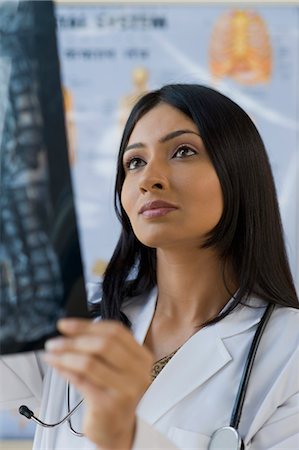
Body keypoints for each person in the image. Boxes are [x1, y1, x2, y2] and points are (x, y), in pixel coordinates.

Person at [1, 84, 299, 450]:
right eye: (135, 162)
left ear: (238, 171)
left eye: (183, 151)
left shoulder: (289, 353)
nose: (148, 179)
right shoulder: (75, 320)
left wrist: (126, 437)